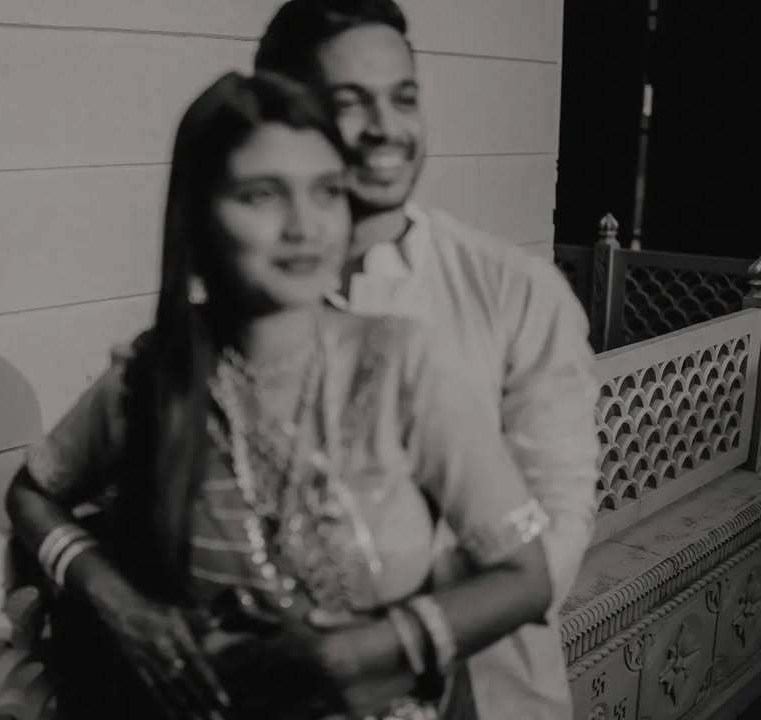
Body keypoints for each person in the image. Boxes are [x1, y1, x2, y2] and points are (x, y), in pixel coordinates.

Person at [6, 71, 554, 720]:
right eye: (263, 195)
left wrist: (356, 655)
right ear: (198, 216)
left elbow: (527, 577)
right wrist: (112, 598)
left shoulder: (404, 366)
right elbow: (31, 493)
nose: (306, 227)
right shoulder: (152, 378)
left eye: (327, 192)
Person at [255, 2, 600, 718]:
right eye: (350, 102)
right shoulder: (249, 299)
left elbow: (559, 525)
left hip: (487, 688)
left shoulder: (513, 290)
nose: (386, 128)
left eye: (403, 97)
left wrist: (393, 644)